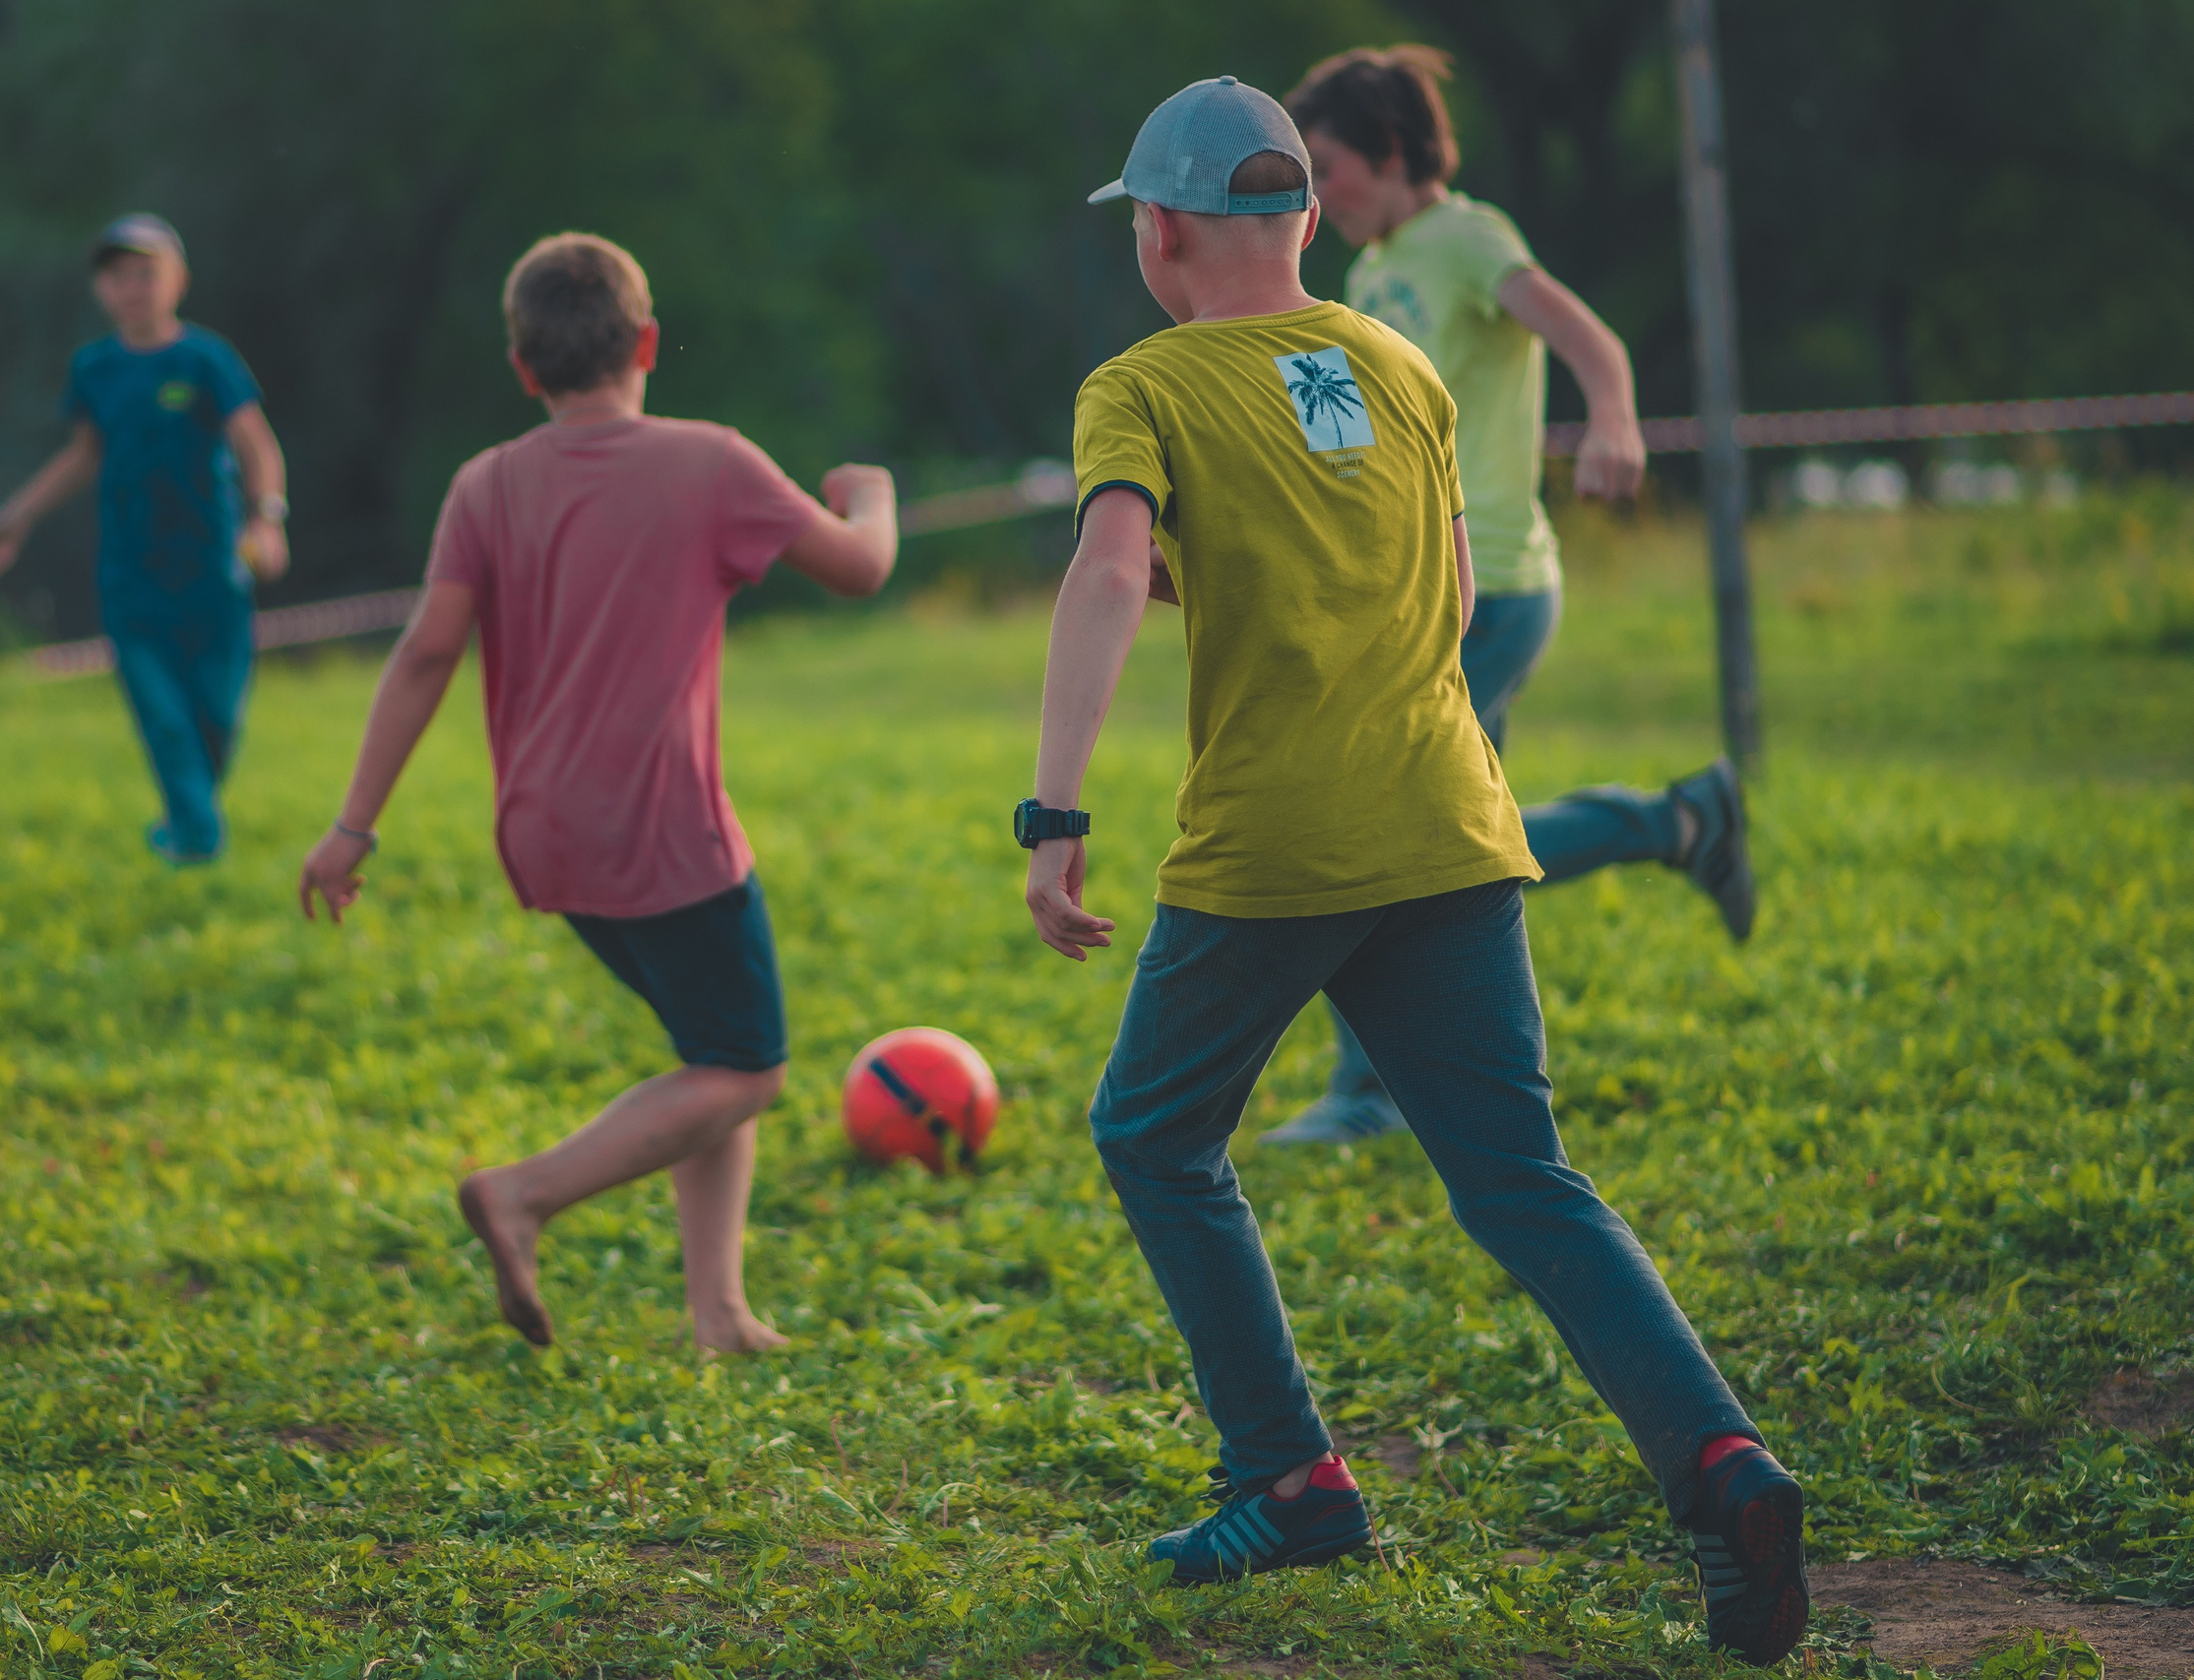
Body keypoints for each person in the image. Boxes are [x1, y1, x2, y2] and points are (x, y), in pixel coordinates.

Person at [1021, 76, 1806, 1663]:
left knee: (1155, 1134)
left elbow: (1109, 567)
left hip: (1277, 843)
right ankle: (1723, 1462)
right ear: (1311, 214)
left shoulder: (1143, 385)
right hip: (1450, 819)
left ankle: (1292, 1473)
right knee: (1525, 1178)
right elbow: (1442, 597)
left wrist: (1053, 808)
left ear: (1157, 232)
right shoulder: (1402, 361)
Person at [295, 233, 898, 1354]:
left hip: (547, 835)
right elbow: (860, 569)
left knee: (709, 1048)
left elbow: (426, 654)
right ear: (649, 344)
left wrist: (352, 824)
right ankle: (524, 1194)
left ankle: (718, 1310)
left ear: (523, 368)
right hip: (664, 832)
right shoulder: (711, 461)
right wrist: (873, 495)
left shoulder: (485, 483)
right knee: (746, 1070)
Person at [1262, 45, 1753, 1147]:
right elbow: (1341, 447)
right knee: (1432, 837)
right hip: (1404, 592)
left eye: (1326, 168)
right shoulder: (1357, 282)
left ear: (1389, 153)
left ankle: (1372, 1094)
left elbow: (1587, 336)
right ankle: (1680, 821)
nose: (1315, 195)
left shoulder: (1468, 238)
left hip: (1490, 584)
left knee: (1386, 831)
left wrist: (1614, 419)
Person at [0, 214, 289, 865]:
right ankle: (198, 847)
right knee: (165, 721)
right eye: (117, 276)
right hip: (131, 575)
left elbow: (256, 444)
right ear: (100, 290)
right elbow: (84, 455)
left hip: (214, 569)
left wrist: (267, 517)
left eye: (146, 273)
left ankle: (181, 823)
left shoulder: (206, 359)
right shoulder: (95, 369)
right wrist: (16, 515)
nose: (132, 287)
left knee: (216, 721)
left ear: (179, 281)